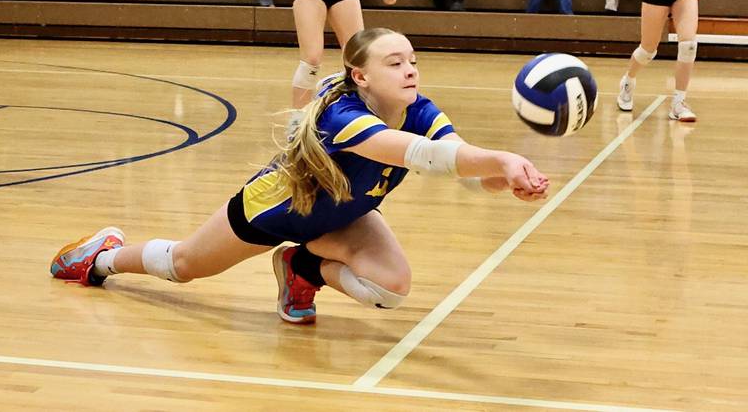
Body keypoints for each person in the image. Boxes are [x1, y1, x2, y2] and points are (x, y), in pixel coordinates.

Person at [49, 28, 550, 326]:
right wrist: (502, 158)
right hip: (275, 209)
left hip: (342, 217)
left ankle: (301, 269)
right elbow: (421, 156)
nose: (410, 71)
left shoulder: (418, 108)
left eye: (413, 61)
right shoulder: (342, 113)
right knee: (183, 265)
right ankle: (101, 258)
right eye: (395, 63)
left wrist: (505, 180)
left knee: (390, 288)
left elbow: (460, 166)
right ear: (361, 76)